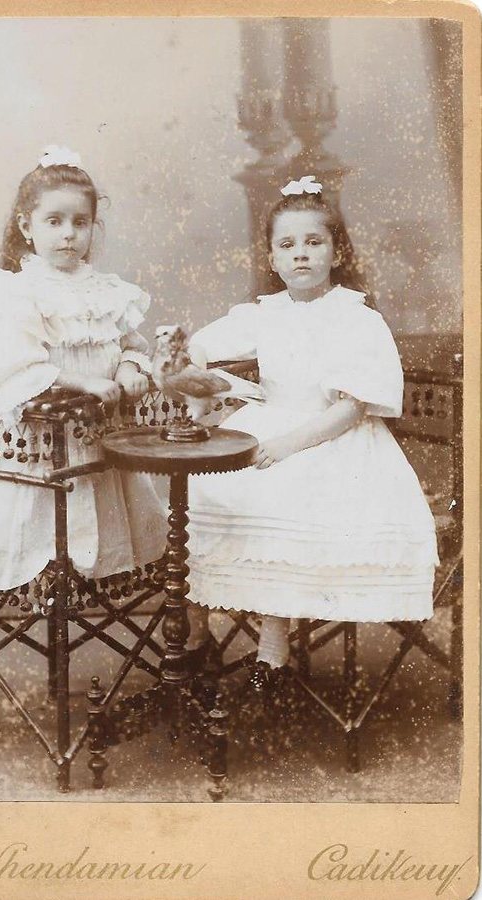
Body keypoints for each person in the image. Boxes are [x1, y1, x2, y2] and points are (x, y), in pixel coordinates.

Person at [186, 175, 439, 677]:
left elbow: (350, 410)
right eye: (287, 245)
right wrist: (194, 372)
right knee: (201, 491)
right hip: (268, 427)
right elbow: (201, 345)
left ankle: (272, 651)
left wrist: (286, 445)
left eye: (313, 242)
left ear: (336, 252)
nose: (300, 254)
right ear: (272, 259)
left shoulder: (356, 317)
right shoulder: (265, 314)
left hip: (334, 439)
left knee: (286, 493)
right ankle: (197, 634)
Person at [0, 146, 166, 591]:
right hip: (34, 446)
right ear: (26, 227)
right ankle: (45, 583)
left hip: (95, 443)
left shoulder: (107, 291)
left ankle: (82, 581)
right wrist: (85, 381)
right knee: (38, 536)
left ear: (93, 227)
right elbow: (18, 367)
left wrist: (129, 369)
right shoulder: (17, 293)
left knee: (97, 529)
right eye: (54, 222)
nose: (68, 234)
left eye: (80, 222)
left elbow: (132, 345)